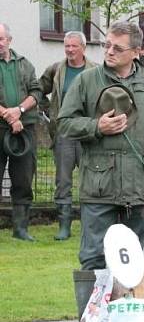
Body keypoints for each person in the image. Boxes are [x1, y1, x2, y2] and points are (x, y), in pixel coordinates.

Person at [58, 21, 144, 312]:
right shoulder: (88, 81)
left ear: (136, 52)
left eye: (118, 47)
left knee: (141, 255)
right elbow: (64, 123)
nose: (109, 51)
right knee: (93, 256)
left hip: (143, 187)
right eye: (107, 46)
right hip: (99, 186)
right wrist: (96, 126)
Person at [39, 31, 96, 240]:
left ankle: (90, 225)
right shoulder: (56, 70)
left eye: (74, 46)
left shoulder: (96, 70)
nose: (70, 50)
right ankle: (64, 226)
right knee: (63, 180)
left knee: (91, 179)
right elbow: (38, 88)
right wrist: (48, 111)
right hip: (64, 133)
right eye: (67, 46)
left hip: (88, 133)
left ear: (83, 47)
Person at [0, 23, 43, 241]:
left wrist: (19, 111)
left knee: (24, 179)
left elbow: (37, 91)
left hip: (24, 129)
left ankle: (21, 229)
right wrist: (8, 115)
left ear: (9, 40)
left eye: (1, 39)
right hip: (2, 127)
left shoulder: (25, 64)